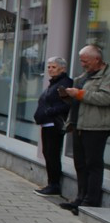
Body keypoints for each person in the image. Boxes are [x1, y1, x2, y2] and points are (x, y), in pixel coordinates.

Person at [60, 45, 110, 214]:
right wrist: (68, 97)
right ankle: (80, 199)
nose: (82, 64)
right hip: (79, 125)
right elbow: (77, 102)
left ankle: (90, 202)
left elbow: (106, 98)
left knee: (92, 164)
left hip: (96, 127)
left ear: (97, 59)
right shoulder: (85, 76)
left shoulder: (107, 75)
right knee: (80, 164)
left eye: (85, 61)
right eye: (81, 61)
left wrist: (80, 94)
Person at [33, 57, 72, 197]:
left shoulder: (65, 83)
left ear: (63, 68)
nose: (50, 69)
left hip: (55, 124)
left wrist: (50, 112)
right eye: (49, 67)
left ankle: (54, 185)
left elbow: (68, 104)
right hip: (47, 123)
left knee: (52, 154)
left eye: (53, 67)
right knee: (47, 153)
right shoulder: (54, 83)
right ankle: (51, 183)